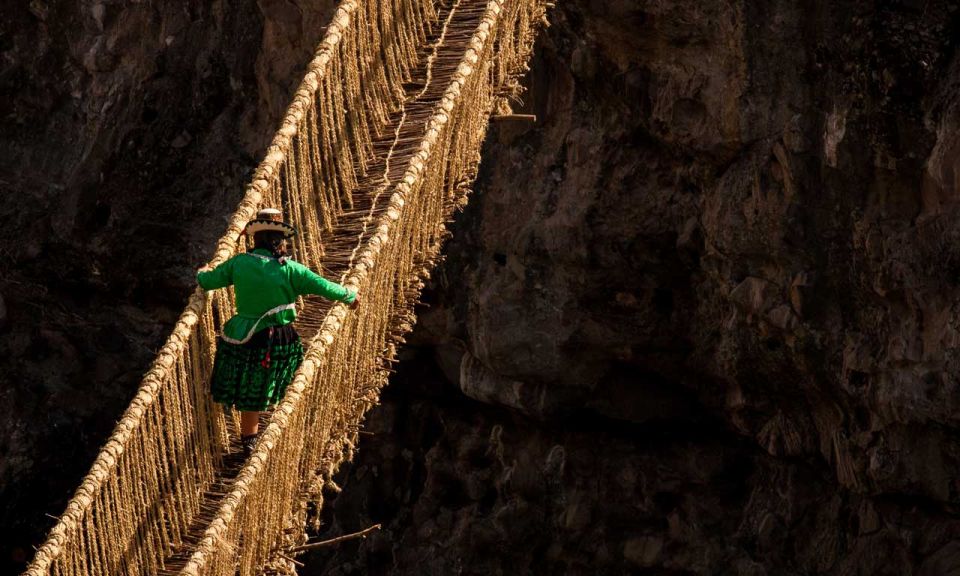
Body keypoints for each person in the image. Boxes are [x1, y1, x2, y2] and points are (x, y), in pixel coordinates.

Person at [197, 208, 360, 456]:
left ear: (256, 239)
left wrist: (202, 271)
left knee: (249, 387)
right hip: (278, 338)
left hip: (242, 335)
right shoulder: (292, 270)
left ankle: (249, 440)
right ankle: (281, 423)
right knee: (285, 381)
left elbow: (208, 281)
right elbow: (325, 287)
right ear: (279, 241)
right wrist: (350, 296)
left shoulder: (239, 263)